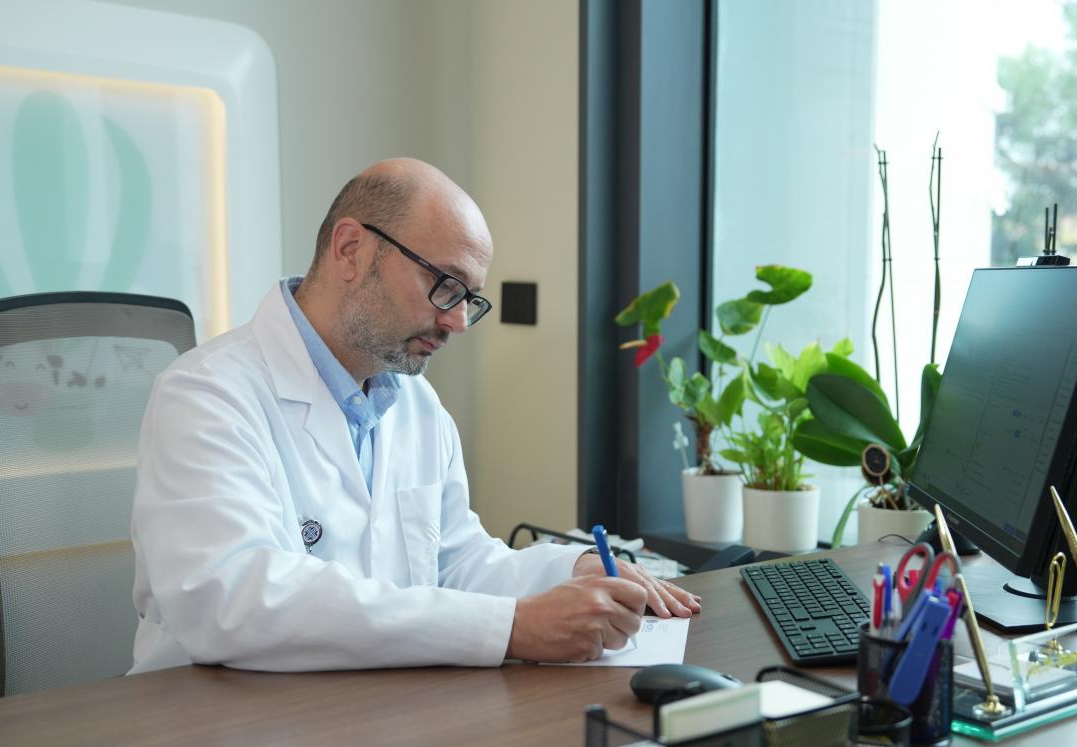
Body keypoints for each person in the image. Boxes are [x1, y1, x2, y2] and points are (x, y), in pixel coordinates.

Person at [130, 158, 700, 674]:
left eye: (470, 298)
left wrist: (570, 570)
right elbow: (233, 600)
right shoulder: (206, 394)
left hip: (373, 713)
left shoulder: (416, 404)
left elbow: (456, 563)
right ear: (351, 250)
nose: (457, 322)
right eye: (445, 285)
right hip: (217, 726)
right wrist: (513, 628)